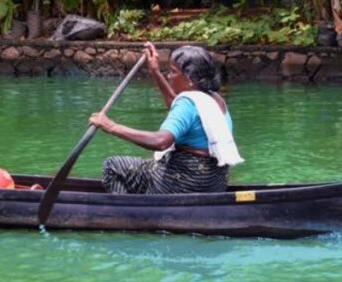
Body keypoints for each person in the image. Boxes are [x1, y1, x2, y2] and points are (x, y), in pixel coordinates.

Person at [88, 43, 243, 194]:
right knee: (147, 165)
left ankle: (130, 213)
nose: (169, 76)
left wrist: (111, 126)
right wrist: (155, 72)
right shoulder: (214, 99)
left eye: (173, 72)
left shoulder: (188, 104)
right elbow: (175, 105)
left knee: (113, 166)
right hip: (214, 182)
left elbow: (161, 142)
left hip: (183, 182)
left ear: (190, 78)